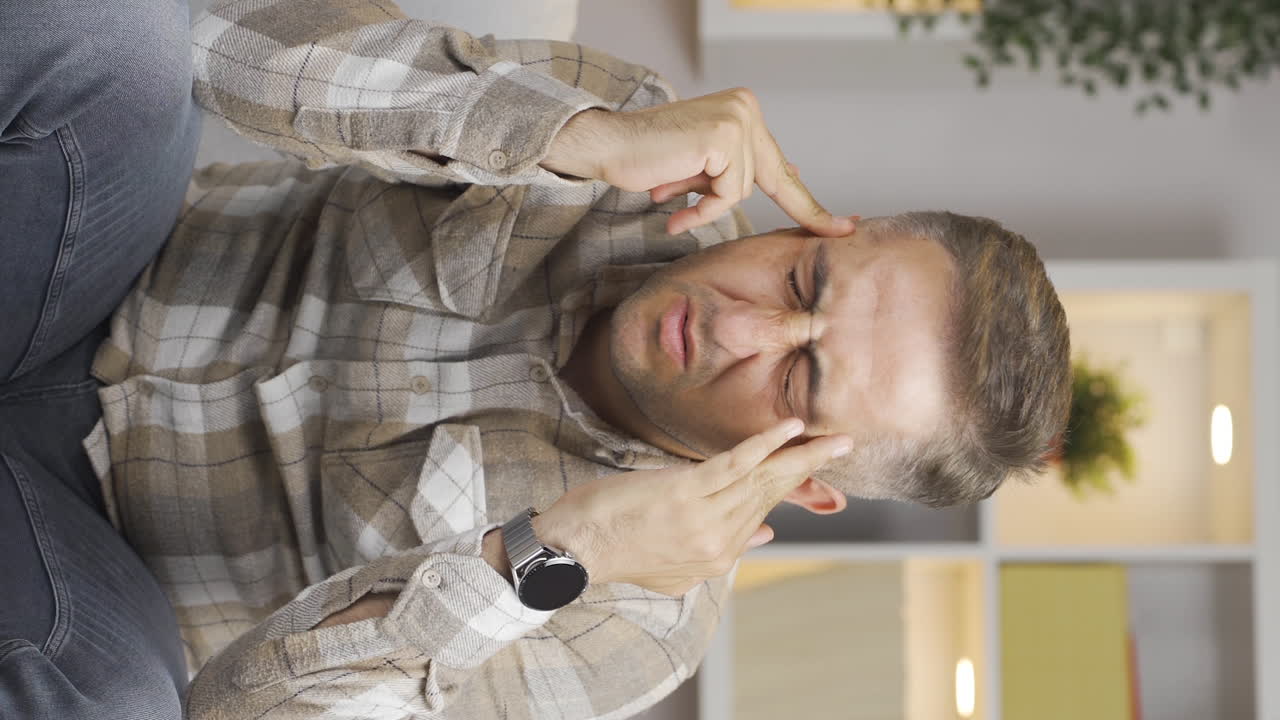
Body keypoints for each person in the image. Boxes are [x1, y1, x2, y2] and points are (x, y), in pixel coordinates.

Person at [0, 0, 1072, 718]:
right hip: (82, 257)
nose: (736, 327)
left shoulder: (638, 631)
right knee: (116, 25)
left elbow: (237, 709)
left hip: (80, 559)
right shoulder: (644, 144)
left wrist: (548, 556)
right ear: (823, 221)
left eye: (797, 382)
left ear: (815, 486)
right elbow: (219, 44)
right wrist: (576, 137)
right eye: (800, 286)